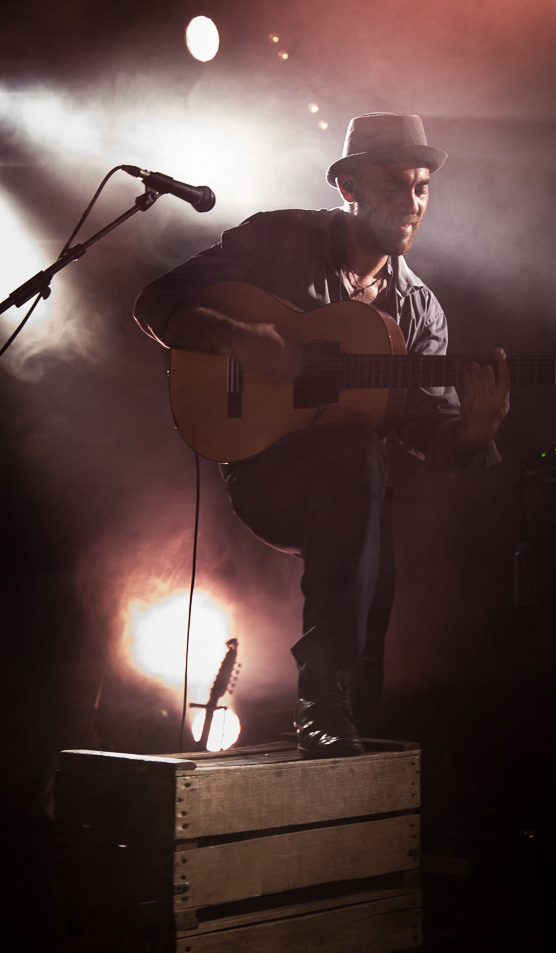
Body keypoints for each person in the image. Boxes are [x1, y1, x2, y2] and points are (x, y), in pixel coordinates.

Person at [134, 112, 510, 759]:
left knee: (374, 566)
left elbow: (426, 426)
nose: (412, 203)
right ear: (349, 188)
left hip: (351, 490)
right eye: (393, 185)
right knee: (359, 457)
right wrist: (238, 340)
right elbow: (157, 301)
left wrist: (472, 434)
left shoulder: (420, 311)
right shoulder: (279, 239)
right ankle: (320, 695)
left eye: (422, 188)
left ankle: (338, 715)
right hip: (261, 465)